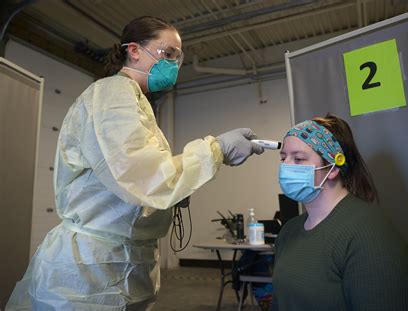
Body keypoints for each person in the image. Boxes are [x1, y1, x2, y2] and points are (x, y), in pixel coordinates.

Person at [6, 16, 264, 310]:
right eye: (167, 53)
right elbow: (142, 176)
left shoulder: (137, 102)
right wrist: (216, 149)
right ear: (134, 50)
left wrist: (177, 190)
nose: (173, 64)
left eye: (177, 58)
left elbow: (137, 178)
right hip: (90, 271)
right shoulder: (112, 94)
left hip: (122, 263)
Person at [271, 115, 408, 311]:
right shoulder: (289, 230)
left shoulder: (370, 235)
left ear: (332, 168)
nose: (286, 166)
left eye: (298, 158)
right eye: (283, 157)